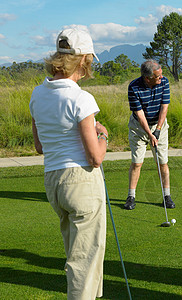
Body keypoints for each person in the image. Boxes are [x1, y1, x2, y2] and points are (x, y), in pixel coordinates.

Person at [29, 28, 108, 299]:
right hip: (81, 181)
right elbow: (95, 157)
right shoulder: (81, 98)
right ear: (84, 60)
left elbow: (40, 146)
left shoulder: (37, 94)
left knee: (78, 253)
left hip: (53, 180)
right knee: (84, 259)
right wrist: (103, 135)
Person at [124, 59, 175, 210]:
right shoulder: (134, 87)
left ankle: (166, 196)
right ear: (147, 78)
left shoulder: (164, 82)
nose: (161, 78)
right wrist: (150, 134)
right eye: (158, 76)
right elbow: (139, 115)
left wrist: (157, 130)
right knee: (137, 162)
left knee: (162, 162)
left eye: (161, 75)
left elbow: (164, 108)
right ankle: (131, 196)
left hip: (159, 125)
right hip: (138, 128)